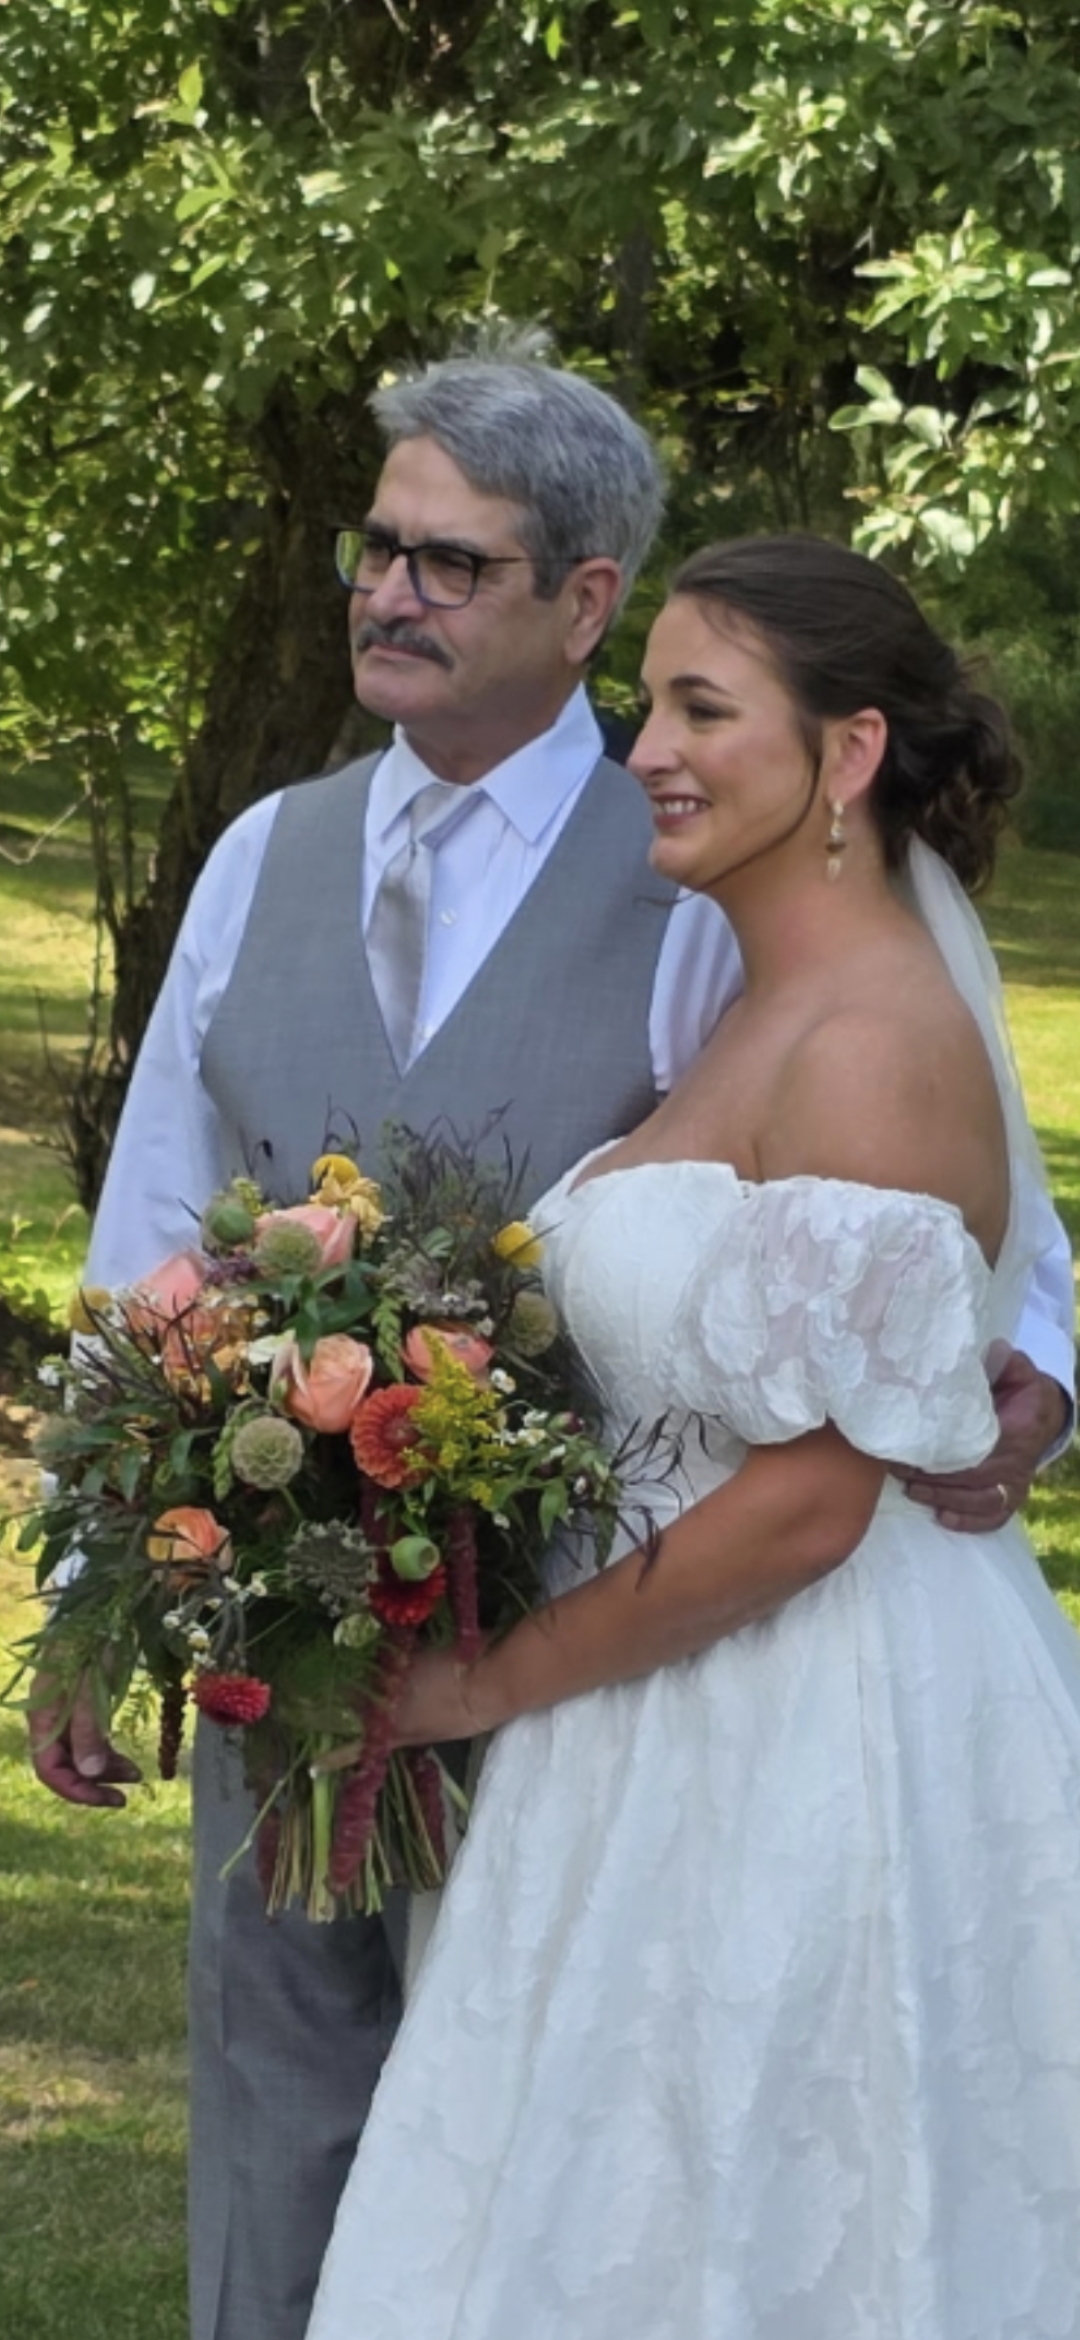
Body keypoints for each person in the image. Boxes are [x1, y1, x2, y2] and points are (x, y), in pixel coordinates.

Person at [26, 360, 1070, 2340]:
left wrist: (1035, 1372)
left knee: (588, 2166)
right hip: (286, 1624)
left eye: (452, 561)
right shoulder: (262, 855)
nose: (389, 591)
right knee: (287, 2100)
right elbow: (153, 1232)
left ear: (583, 599)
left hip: (605, 1638)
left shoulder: (703, 887)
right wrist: (98, 1595)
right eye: (378, 547)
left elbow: (931, 1223)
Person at [304, 536, 1080, 2340]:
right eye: (646, 701)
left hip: (809, 1735)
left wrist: (489, 1685)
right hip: (648, 1701)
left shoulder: (873, 1042)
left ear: (849, 752)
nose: (645, 746)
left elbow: (811, 1507)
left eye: (702, 709)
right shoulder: (759, 1006)